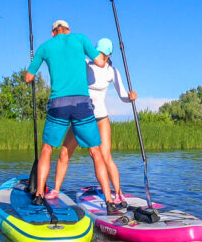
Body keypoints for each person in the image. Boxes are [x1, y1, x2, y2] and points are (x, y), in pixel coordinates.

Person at [25, 20, 120, 213]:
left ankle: (39, 196)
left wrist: (34, 60)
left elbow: (28, 77)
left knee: (47, 149)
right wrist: (105, 52)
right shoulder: (81, 39)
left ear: (53, 33)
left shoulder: (45, 46)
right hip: (82, 105)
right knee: (96, 152)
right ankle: (109, 200)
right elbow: (101, 62)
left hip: (58, 104)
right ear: (68, 31)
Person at [47, 38, 137, 208]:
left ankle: (118, 194)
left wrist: (130, 98)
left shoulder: (112, 71)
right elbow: (70, 57)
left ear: (109, 54)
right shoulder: (86, 64)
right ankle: (56, 190)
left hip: (101, 118)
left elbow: (123, 95)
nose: (99, 56)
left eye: (103, 54)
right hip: (81, 116)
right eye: (97, 52)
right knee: (65, 153)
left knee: (105, 156)